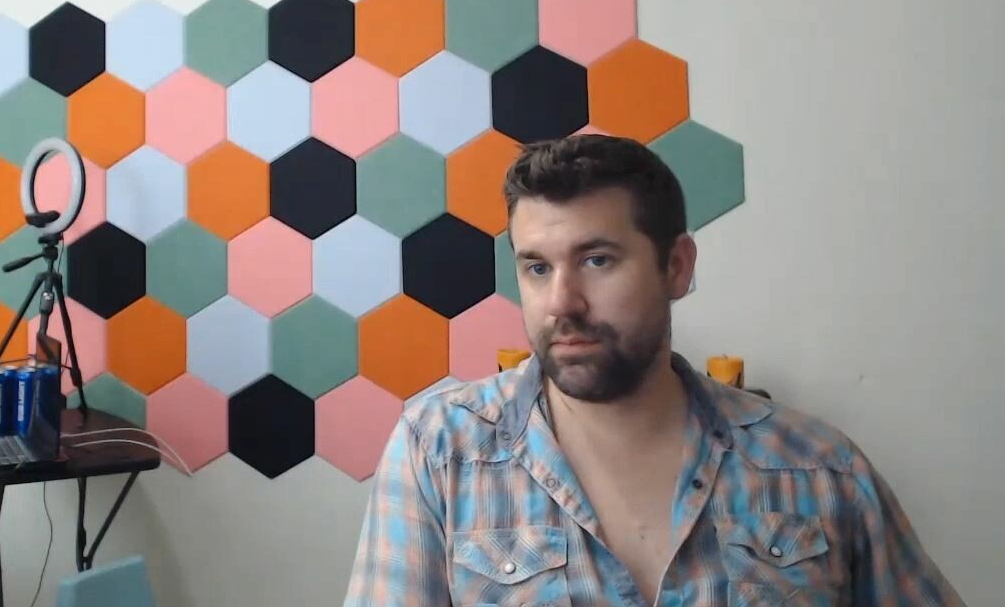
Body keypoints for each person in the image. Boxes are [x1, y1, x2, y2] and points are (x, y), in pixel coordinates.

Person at [343, 134, 965, 606]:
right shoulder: (440, 451)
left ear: (677, 267)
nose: (561, 303)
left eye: (597, 260)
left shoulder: (819, 469)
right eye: (537, 268)